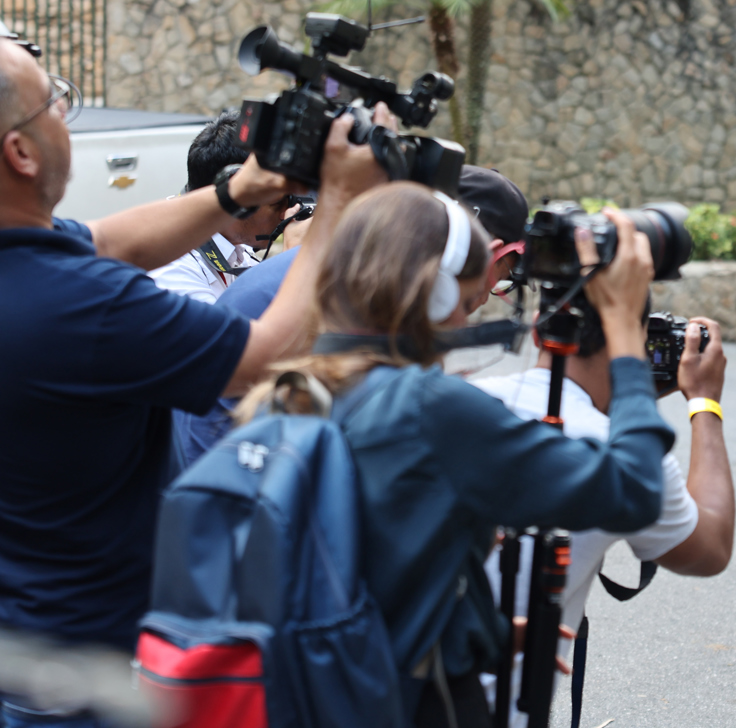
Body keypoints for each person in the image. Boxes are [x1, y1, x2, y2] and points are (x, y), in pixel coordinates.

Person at [0, 36, 387, 727]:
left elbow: (110, 240)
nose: (66, 113)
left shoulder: (35, 261)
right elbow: (265, 356)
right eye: (54, 104)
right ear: (21, 154)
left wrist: (236, 193)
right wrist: (337, 210)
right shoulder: (80, 309)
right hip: (81, 682)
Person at [233, 182, 673, 727]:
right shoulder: (427, 409)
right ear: (434, 296)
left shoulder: (279, 398)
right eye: (466, 302)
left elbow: (359, 570)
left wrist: (471, 626)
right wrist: (625, 335)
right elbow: (632, 490)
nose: (466, 323)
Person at [475, 301, 735, 727]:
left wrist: (625, 402)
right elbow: (711, 548)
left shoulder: (469, 402)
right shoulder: (628, 461)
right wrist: (705, 403)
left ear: (542, 332)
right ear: (632, 343)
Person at [172, 164, 531, 469]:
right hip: (242, 486)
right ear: (481, 256)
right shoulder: (355, 290)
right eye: (486, 290)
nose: (475, 309)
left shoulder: (357, 267)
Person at [148, 109, 310, 302]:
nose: (287, 213)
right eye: (277, 202)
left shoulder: (234, 245)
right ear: (238, 192)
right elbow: (240, 331)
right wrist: (292, 262)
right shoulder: (172, 270)